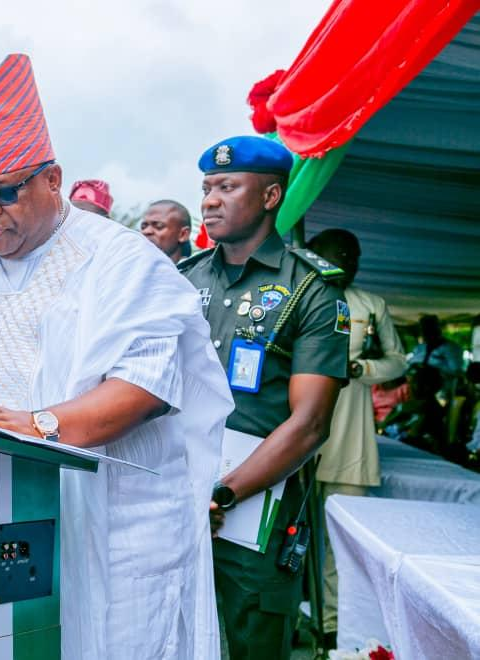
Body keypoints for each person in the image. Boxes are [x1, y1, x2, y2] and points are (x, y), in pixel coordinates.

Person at [0, 53, 233, 659]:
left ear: (52, 180)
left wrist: (39, 426)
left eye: (4, 190)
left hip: (106, 531)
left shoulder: (124, 262)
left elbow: (147, 385)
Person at [179, 135, 349, 660]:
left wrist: (222, 493)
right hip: (172, 496)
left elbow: (310, 423)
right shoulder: (180, 281)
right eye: (207, 188)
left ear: (271, 196)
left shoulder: (312, 290)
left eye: (228, 187)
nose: (210, 200)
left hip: (252, 510)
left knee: (252, 643)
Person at [306, 228, 405, 646]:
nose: (346, 259)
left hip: (350, 429)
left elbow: (397, 361)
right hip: (297, 426)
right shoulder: (296, 295)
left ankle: (334, 626)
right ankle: (302, 615)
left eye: (353, 254)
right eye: (336, 253)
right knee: (295, 533)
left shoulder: (371, 305)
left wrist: (363, 370)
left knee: (343, 538)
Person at [408, 314, 463, 403]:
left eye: (430, 328)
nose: (426, 332)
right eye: (424, 329)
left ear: (438, 329)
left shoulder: (451, 348)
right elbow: (410, 364)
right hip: (416, 388)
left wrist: (434, 372)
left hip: (440, 390)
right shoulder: (419, 348)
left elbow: (456, 371)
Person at [141, 199, 192, 265]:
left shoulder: (198, 273)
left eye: (158, 226)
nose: (146, 231)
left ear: (183, 234)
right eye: (143, 227)